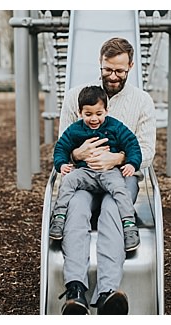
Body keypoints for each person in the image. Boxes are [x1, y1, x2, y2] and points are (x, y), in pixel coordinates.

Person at [56, 37, 156, 315]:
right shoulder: (77, 95)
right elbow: (62, 145)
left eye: (120, 71)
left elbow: (148, 151)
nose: (113, 77)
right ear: (100, 64)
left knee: (113, 210)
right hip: (84, 175)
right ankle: (75, 289)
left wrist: (119, 158)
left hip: (120, 178)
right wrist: (78, 154)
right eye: (108, 70)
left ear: (131, 67)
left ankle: (107, 291)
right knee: (75, 208)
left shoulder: (142, 101)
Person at [50, 85, 142, 255]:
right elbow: (61, 147)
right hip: (86, 172)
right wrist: (62, 163)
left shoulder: (115, 127)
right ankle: (59, 217)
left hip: (109, 171)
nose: (94, 119)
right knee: (68, 181)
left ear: (106, 110)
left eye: (99, 114)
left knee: (120, 189)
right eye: (88, 114)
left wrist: (131, 163)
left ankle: (129, 225)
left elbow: (132, 144)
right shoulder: (75, 130)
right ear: (79, 113)